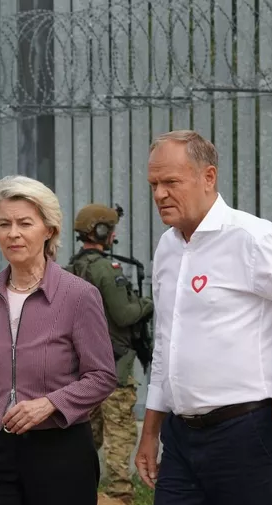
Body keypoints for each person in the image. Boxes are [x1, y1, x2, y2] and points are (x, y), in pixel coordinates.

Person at [134, 129, 272, 505]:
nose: (160, 194)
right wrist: (150, 431)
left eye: (171, 182)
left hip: (246, 434)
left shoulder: (251, 238)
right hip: (180, 437)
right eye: (154, 184)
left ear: (208, 177)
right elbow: (166, 343)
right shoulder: (168, 247)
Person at [0, 175, 117, 505]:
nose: (13, 233)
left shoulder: (79, 295)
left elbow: (102, 376)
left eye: (25, 223)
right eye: (4, 224)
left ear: (48, 229)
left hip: (61, 450)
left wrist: (51, 403)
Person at [64, 203, 154, 505]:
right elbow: (124, 313)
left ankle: (73, 488)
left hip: (83, 367)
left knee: (87, 434)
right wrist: (148, 304)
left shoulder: (72, 267)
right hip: (114, 366)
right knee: (120, 434)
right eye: (111, 229)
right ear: (102, 232)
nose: (114, 235)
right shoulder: (105, 269)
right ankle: (119, 495)